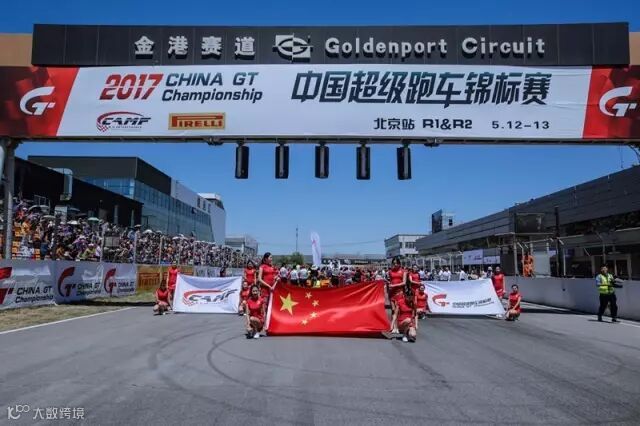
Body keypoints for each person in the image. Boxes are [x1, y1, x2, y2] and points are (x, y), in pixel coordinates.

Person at [387, 257, 407, 333]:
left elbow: (404, 283)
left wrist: (394, 285)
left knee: (398, 310)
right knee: (393, 310)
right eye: (394, 263)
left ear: (399, 263)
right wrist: (388, 285)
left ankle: (397, 326)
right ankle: (394, 327)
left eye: (396, 263)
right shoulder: (390, 272)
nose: (395, 264)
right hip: (392, 293)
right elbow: (390, 281)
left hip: (399, 292)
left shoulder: (403, 271)